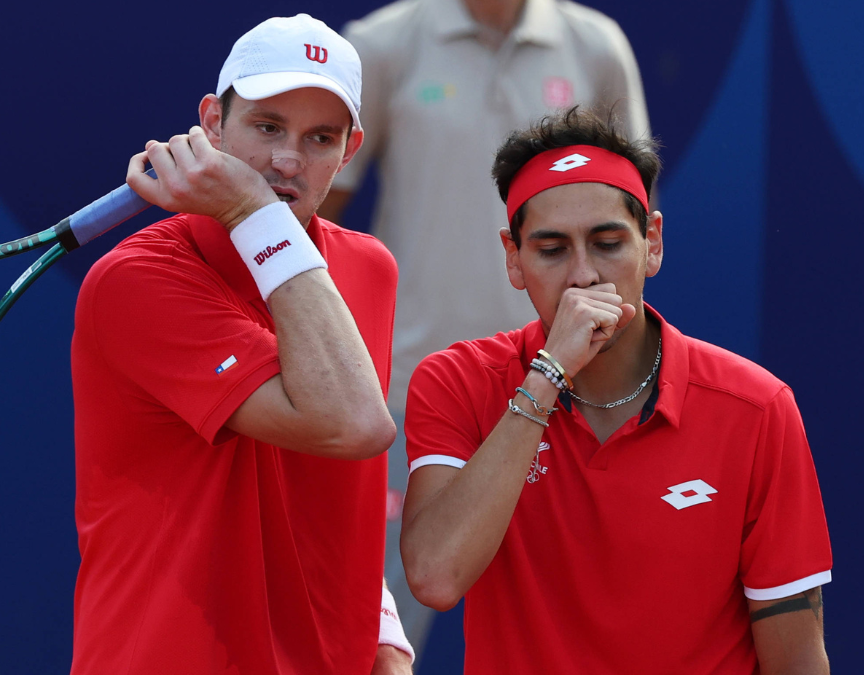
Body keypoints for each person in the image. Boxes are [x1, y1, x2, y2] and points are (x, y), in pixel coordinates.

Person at [400, 107, 832, 673]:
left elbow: (796, 656)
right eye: (552, 250)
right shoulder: (456, 382)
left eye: (607, 243)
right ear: (514, 257)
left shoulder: (756, 407)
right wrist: (550, 374)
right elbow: (435, 575)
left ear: (651, 242)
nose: (583, 276)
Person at [71, 15, 415, 675]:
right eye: (267, 127)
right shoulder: (135, 283)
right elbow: (354, 422)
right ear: (213, 122)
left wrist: (381, 634)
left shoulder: (370, 270)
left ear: (351, 150)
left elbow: (333, 487)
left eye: (321, 137)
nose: (289, 160)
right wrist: (254, 214)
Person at [317, 0, 651, 646]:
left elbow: (629, 221)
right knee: (367, 636)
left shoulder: (596, 47)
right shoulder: (383, 44)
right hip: (408, 395)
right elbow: (312, 215)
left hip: (573, 398)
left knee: (576, 631)